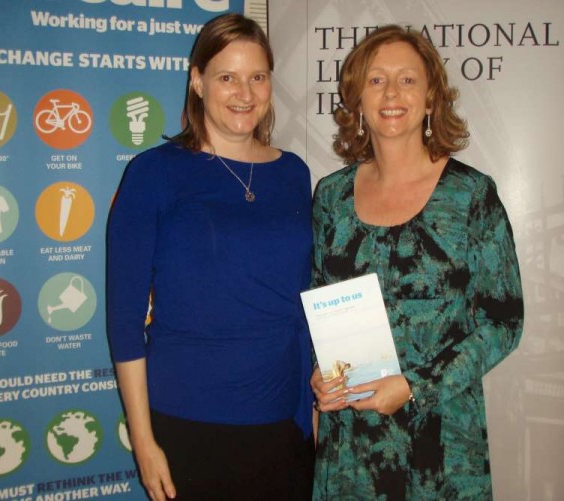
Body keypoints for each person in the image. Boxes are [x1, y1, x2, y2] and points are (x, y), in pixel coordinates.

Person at [310, 25, 524, 500]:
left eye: (407, 80)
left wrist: (413, 386)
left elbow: (503, 321)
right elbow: (321, 310)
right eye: (376, 80)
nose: (391, 93)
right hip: (352, 446)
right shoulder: (331, 197)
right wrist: (322, 375)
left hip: (442, 445)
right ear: (357, 99)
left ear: (431, 99)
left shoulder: (471, 195)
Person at [107, 13, 314, 501]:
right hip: (189, 426)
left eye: (257, 77)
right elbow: (123, 320)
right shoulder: (152, 174)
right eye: (227, 77)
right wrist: (143, 441)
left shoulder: (294, 174)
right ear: (197, 81)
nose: (245, 93)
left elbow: (302, 301)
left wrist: (313, 411)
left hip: (284, 423)